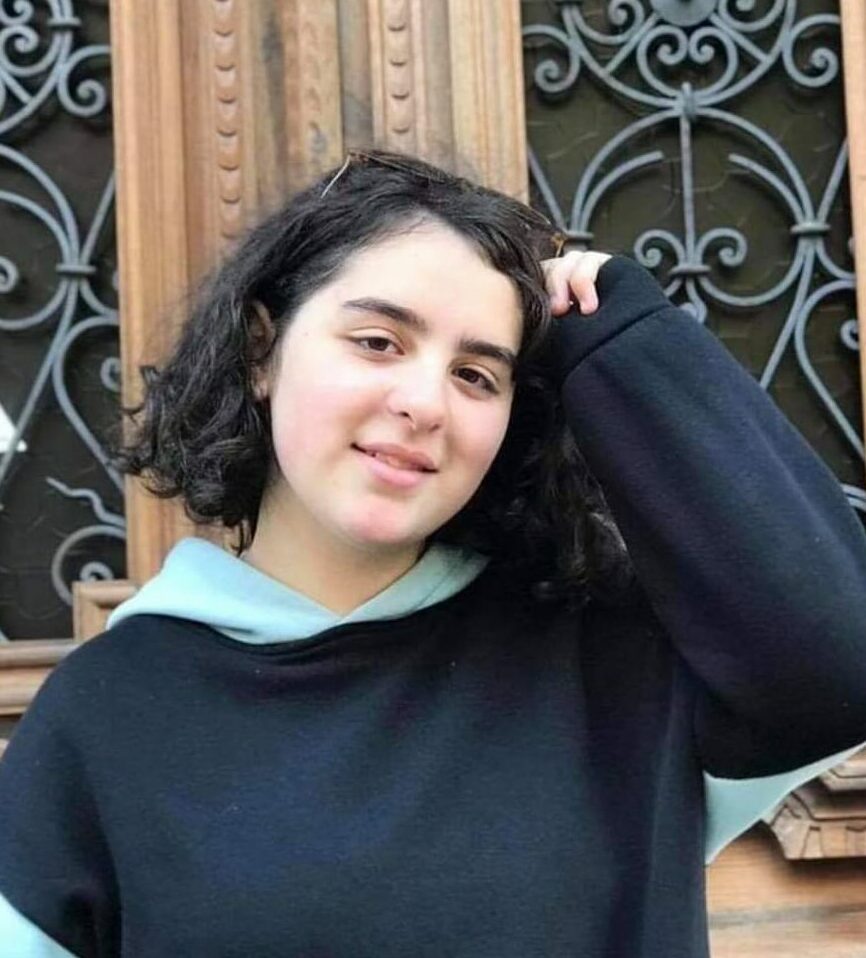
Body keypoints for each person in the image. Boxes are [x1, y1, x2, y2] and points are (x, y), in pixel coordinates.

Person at [0, 149, 865, 958]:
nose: (425, 403)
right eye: (378, 341)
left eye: (476, 374)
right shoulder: (105, 715)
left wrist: (622, 337)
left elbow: (842, 663)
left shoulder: (609, 665)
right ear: (261, 350)